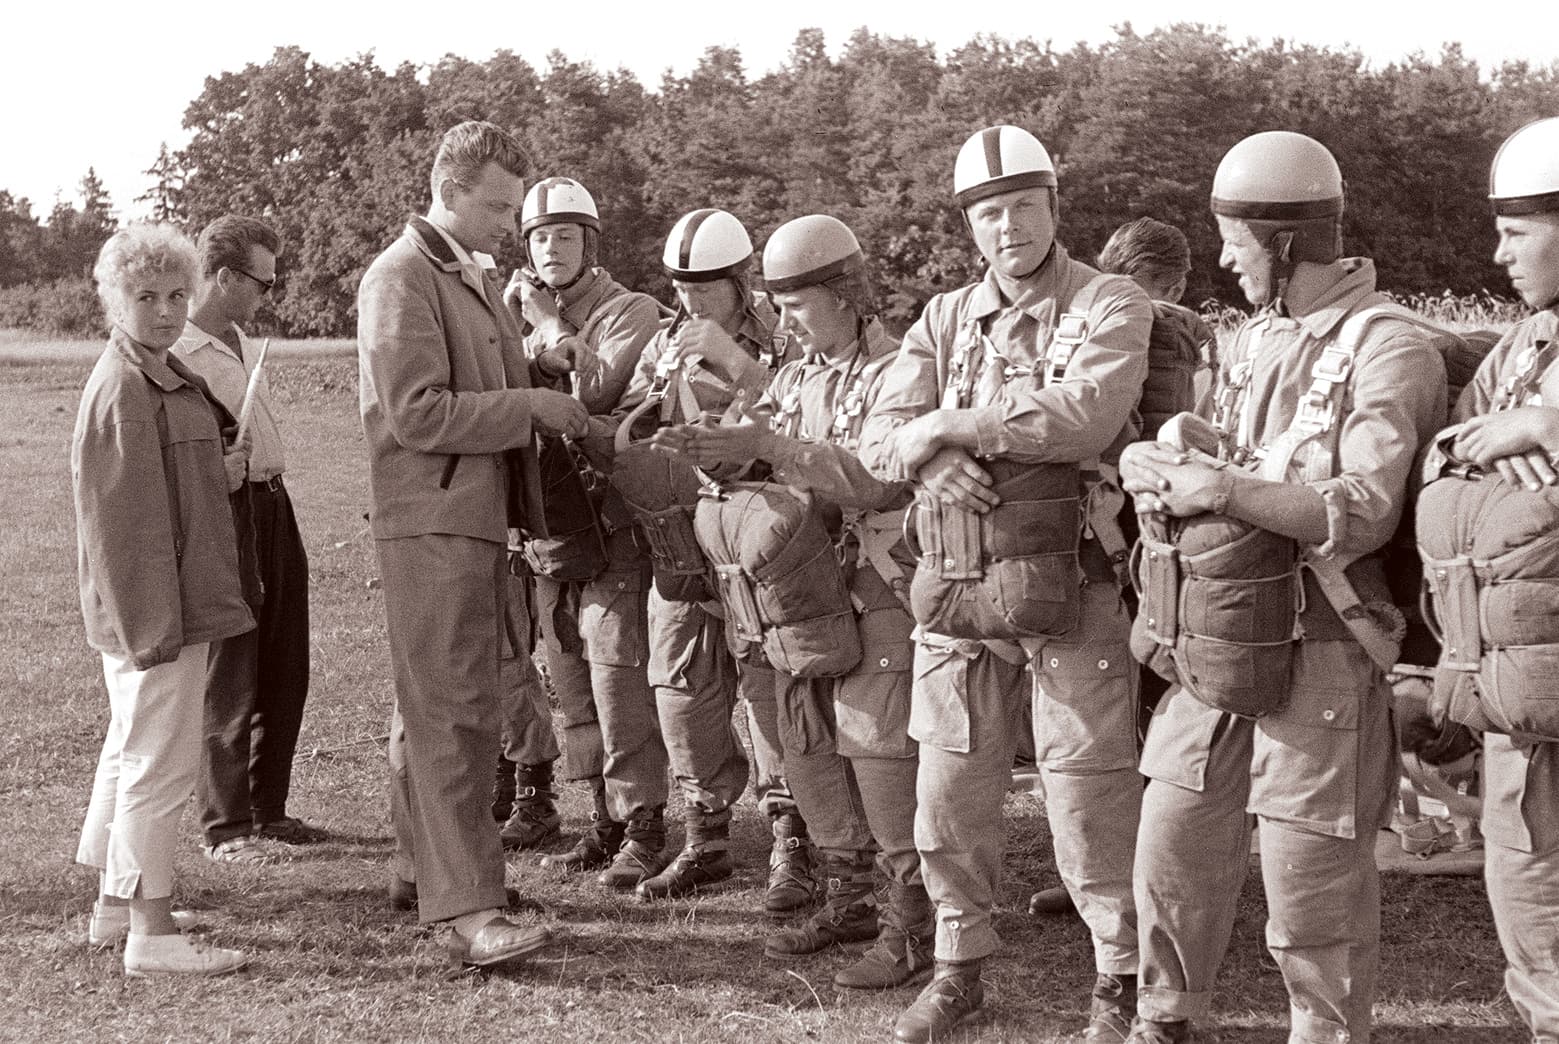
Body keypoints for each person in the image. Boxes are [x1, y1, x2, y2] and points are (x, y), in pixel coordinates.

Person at [1118, 131, 1448, 1044]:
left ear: (1287, 242)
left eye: (1236, 241)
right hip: (1216, 637)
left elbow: (1363, 510)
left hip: (1325, 647)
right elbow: (1237, 454)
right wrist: (1165, 454)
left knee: (1312, 890)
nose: (1224, 261)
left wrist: (1222, 490)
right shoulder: (1255, 338)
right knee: (1171, 846)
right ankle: (1164, 1020)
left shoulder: (1390, 348)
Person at [857, 125, 1152, 1043]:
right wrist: (924, 456)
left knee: (1088, 795)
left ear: (1053, 207)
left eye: (1024, 205)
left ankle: (1119, 978)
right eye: (989, 213)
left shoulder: (1109, 301)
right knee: (947, 795)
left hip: (1074, 584)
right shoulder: (942, 318)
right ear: (969, 226)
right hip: (955, 585)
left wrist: (952, 427)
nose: (1008, 226)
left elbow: (1087, 413)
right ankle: (957, 971)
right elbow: (876, 441)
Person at [654, 214, 927, 988]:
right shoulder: (799, 376)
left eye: (797, 305)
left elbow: (877, 481)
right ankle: (848, 900)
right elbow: (769, 452)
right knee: (805, 745)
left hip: (878, 585)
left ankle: (910, 924)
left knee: (876, 750)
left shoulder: (901, 372)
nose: (785, 320)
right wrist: (717, 454)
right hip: (797, 595)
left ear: (845, 295)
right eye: (776, 304)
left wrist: (765, 447)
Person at [357, 119, 586, 967]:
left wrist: (535, 370)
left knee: (435, 705)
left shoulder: (464, 271)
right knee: (452, 714)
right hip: (434, 523)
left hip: (470, 520)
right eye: (495, 206)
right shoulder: (400, 277)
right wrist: (529, 407)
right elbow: (416, 413)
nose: (509, 224)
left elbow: (475, 376)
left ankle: (424, 872)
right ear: (448, 192)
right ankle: (469, 912)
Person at [602, 208, 808, 907]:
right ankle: (705, 836)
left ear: (740, 280)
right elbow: (633, 418)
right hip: (680, 546)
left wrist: (736, 363)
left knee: (767, 687)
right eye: (680, 287)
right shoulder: (666, 342)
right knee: (680, 687)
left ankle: (792, 839)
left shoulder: (783, 336)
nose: (689, 300)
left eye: (704, 287)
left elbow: (801, 417)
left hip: (755, 545)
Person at [73, 222, 254, 976]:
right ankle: (152, 935)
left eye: (179, 295)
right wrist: (154, 631)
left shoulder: (159, 373)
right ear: (113, 300)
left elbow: (172, 485)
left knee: (131, 751)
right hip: (157, 611)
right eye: (145, 296)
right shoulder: (125, 386)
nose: (166, 311)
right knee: (159, 761)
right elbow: (124, 529)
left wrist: (219, 471)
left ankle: (116, 910)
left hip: (172, 600)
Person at [1419, 114, 1559, 1044]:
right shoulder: (1519, 350)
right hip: (1521, 695)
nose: (1498, 253)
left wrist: (1547, 429)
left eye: (1516, 232)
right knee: (1528, 894)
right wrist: (1482, 442)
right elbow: (1441, 453)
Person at [496, 176, 668, 873]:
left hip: (611, 528)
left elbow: (593, 393)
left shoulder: (630, 310)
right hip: (547, 530)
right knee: (570, 681)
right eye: (539, 237)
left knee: (618, 679)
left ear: (590, 243)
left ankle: (644, 824)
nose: (551, 249)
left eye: (564, 235)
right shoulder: (511, 312)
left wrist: (544, 327)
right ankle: (601, 818)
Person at [170, 215, 317, 864]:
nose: (269, 293)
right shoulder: (177, 351)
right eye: (264, 282)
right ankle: (225, 827)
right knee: (233, 665)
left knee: (286, 660)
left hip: (273, 504)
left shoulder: (239, 339)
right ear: (226, 277)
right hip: (227, 513)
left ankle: (267, 810)